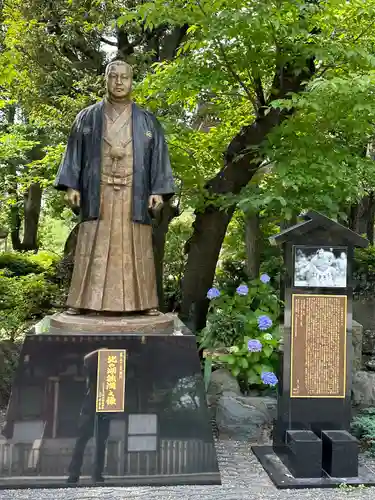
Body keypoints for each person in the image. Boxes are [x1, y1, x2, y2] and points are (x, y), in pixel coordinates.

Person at [54, 59, 175, 316]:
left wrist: (157, 190)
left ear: (132, 82)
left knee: (138, 248)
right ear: (105, 79)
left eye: (124, 77)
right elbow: (74, 152)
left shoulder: (147, 121)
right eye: (113, 76)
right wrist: (71, 185)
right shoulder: (87, 117)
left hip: (135, 193)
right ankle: (81, 301)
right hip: (98, 193)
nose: (119, 82)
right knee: (91, 246)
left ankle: (145, 303)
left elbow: (159, 157)